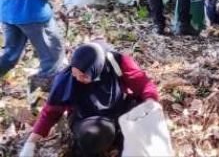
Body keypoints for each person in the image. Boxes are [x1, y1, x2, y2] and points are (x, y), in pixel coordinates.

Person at [20, 41, 160, 157]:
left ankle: (123, 143)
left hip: (118, 108)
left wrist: (151, 104)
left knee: (144, 110)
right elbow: (50, 112)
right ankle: (90, 149)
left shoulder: (117, 62)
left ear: (96, 69)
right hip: (86, 117)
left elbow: (144, 85)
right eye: (76, 74)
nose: (79, 79)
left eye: (84, 76)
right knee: (95, 135)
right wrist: (31, 143)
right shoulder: (66, 78)